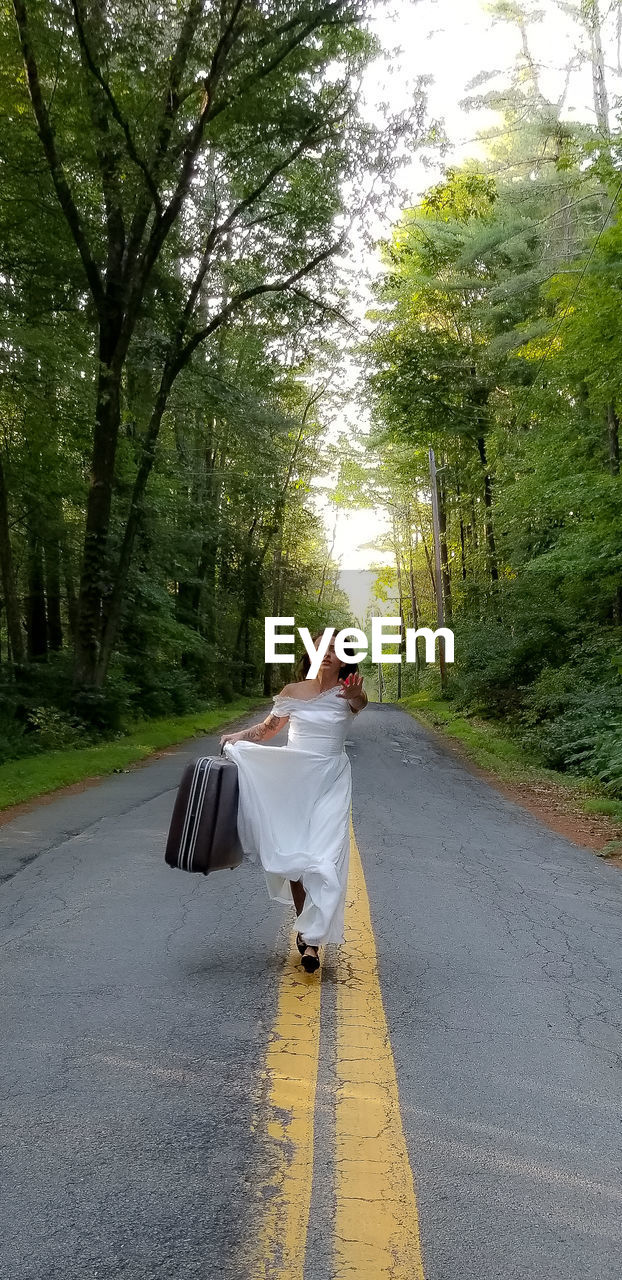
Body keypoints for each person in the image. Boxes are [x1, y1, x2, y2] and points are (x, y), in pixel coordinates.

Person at [219, 630, 368, 974]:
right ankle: (306, 926)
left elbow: (359, 704)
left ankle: (313, 941)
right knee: (294, 854)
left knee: (323, 853)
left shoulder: (349, 693)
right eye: (320, 646)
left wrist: (356, 695)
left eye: (334, 648)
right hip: (293, 778)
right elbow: (268, 729)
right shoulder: (292, 692)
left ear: (345, 658)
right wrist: (237, 737)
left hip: (331, 779)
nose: (327, 652)